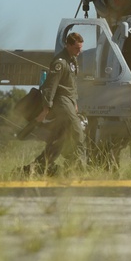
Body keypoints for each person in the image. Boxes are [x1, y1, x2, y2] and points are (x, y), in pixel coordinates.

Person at [22, 31, 87, 176]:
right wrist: (46, 109)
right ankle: (81, 166)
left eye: (81, 48)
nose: (79, 51)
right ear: (68, 45)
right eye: (77, 48)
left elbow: (72, 84)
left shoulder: (72, 60)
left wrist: (74, 102)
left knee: (58, 140)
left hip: (69, 101)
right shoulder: (60, 63)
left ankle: (35, 168)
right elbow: (50, 86)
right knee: (78, 131)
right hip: (61, 102)